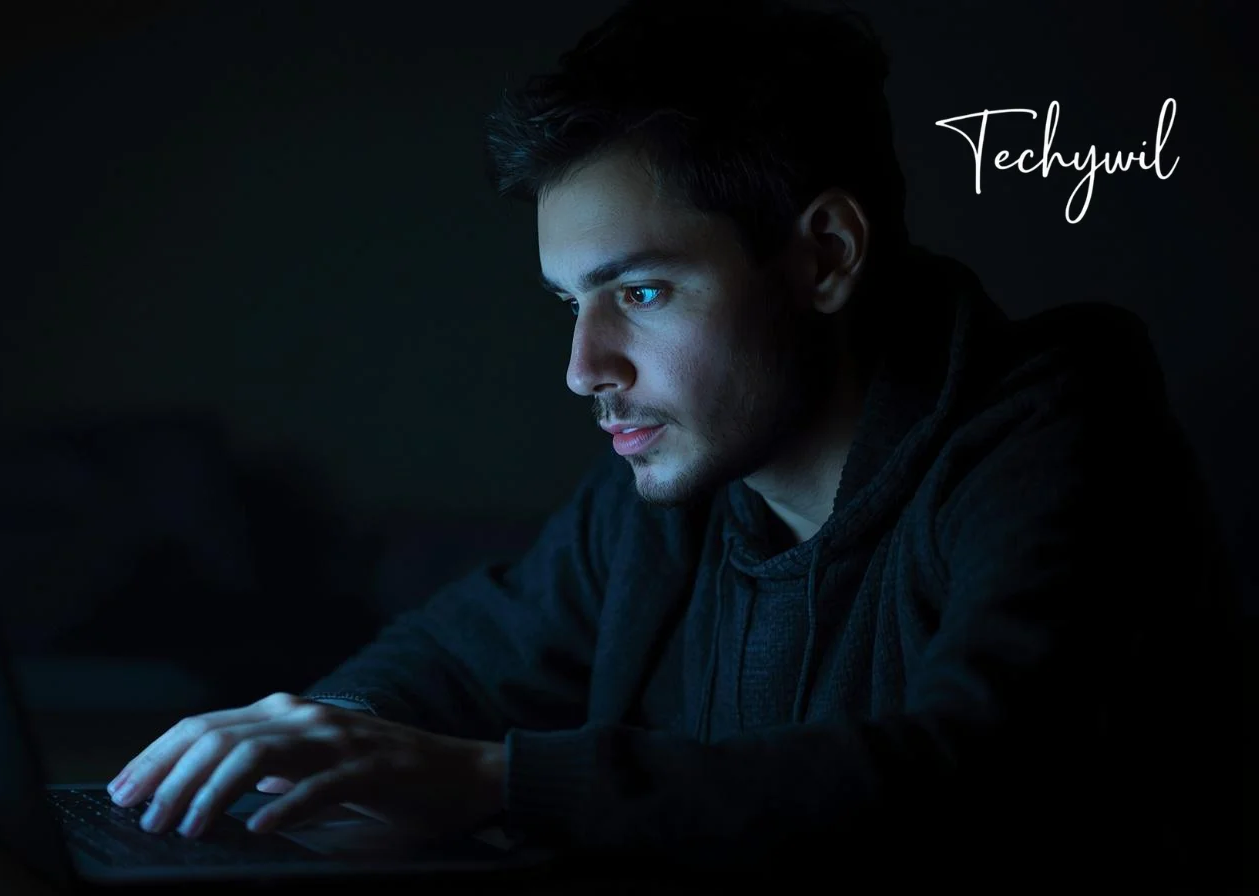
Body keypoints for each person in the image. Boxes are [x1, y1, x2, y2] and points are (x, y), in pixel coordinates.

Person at [107, 0, 1240, 883]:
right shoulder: (671, 493)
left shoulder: (1057, 426)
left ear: (826, 256)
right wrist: (302, 742)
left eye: (641, 291)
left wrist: (503, 782)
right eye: (569, 304)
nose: (583, 365)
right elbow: (456, 658)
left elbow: (974, 771)